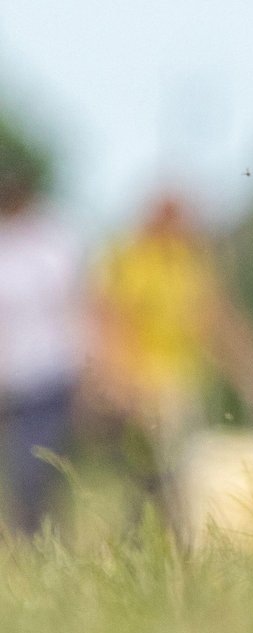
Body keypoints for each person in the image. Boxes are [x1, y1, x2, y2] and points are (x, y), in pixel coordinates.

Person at [82, 192, 253, 531]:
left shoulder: (190, 263)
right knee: (155, 480)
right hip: (145, 389)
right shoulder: (129, 261)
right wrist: (123, 382)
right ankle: (154, 543)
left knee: (180, 477)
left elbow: (216, 321)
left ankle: (172, 544)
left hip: (183, 388)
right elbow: (111, 326)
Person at [0, 155, 86, 534]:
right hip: (10, 379)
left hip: (48, 376)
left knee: (35, 468)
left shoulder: (53, 242)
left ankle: (40, 540)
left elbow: (77, 307)